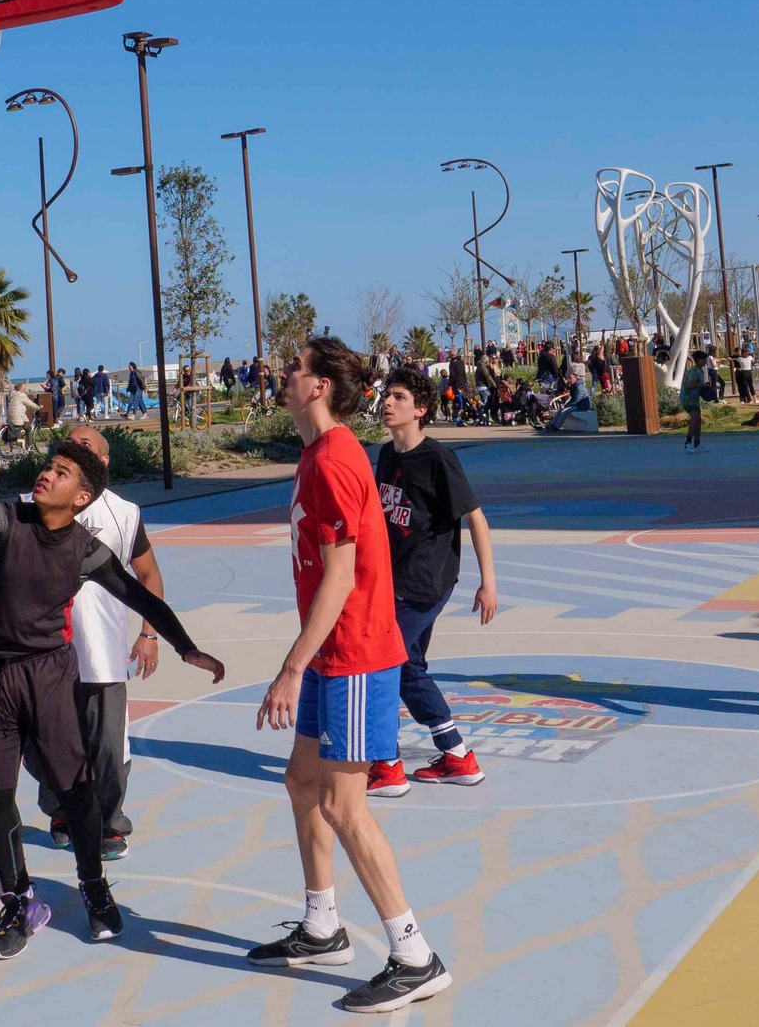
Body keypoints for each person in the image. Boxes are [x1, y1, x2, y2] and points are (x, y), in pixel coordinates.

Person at [0, 438, 222, 957]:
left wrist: (187, 648)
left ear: (82, 497)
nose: (48, 474)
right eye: (49, 465)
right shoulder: (6, 518)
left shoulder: (85, 549)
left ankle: (94, 889)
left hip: (48, 674)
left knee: (76, 789)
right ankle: (18, 902)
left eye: (63, 471)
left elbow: (141, 594)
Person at [246, 336, 453, 1012]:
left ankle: (414, 954)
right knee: (303, 780)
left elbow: (341, 574)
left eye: (296, 367)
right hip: (333, 653)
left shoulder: (335, 460)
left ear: (321, 386)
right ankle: (321, 925)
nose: (284, 372)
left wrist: (290, 666)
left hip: (356, 653)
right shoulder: (314, 454)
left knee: (344, 804)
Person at [19, 423, 162, 862]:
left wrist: (149, 633)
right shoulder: (32, 505)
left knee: (107, 746)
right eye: (70, 442)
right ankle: (61, 810)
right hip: (43, 651)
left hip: (102, 653)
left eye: (87, 445)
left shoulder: (124, 514)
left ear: (102, 462)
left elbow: (149, 575)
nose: (75, 447)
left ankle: (109, 822)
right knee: (42, 743)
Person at [367, 366, 498, 798]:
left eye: (399, 397)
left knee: (385, 664)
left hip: (426, 581)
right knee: (408, 667)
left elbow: (475, 517)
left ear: (421, 409)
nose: (388, 402)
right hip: (394, 580)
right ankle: (457, 756)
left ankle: (387, 764)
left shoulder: (439, 459)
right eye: (388, 394)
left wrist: (488, 582)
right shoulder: (386, 456)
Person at [680, 350, 708, 450]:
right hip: (688, 398)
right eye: (704, 359)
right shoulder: (693, 371)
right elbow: (688, 386)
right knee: (695, 419)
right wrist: (702, 385)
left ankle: (697, 443)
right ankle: (687, 443)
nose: (705, 361)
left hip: (694, 398)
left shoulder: (700, 371)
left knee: (698, 420)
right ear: (699, 360)